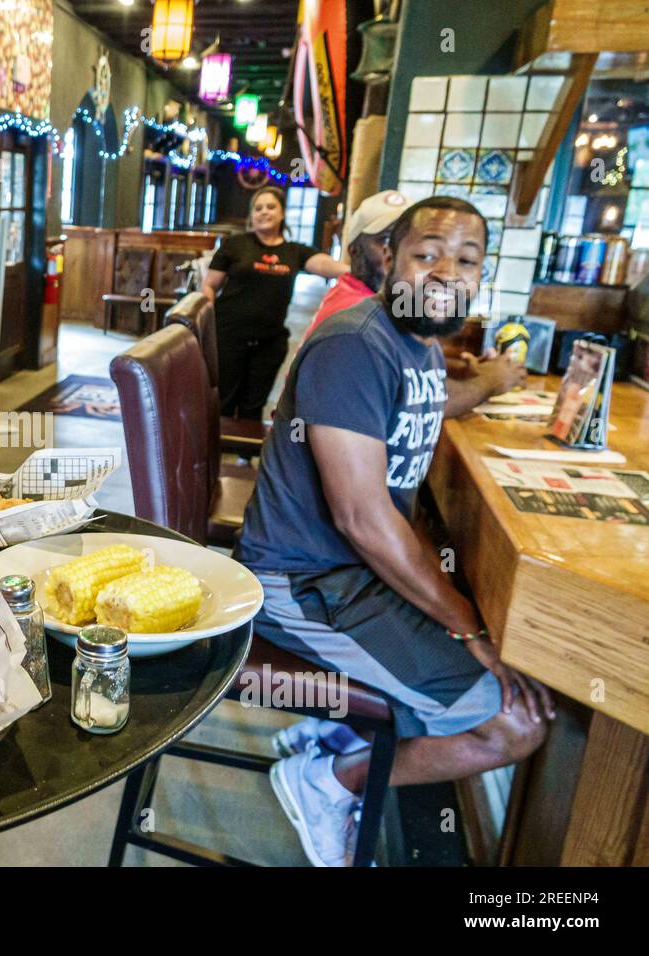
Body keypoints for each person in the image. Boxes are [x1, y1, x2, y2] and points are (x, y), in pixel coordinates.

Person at [234, 196, 553, 867]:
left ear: (482, 274)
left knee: (500, 685)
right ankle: (327, 782)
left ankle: (340, 744)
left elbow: (422, 419)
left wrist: (488, 383)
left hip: (352, 577)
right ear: (389, 259)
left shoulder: (418, 346)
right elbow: (361, 517)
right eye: (427, 253)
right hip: (302, 582)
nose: (445, 273)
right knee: (512, 723)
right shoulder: (355, 344)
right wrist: (467, 623)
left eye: (465, 261)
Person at [201, 184, 349, 420]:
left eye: (271, 207)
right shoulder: (234, 245)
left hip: (269, 342)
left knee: (253, 403)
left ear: (282, 213)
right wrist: (207, 321)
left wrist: (351, 272)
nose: (264, 212)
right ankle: (213, 453)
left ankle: (243, 456)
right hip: (228, 336)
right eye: (258, 208)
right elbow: (210, 284)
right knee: (223, 401)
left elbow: (321, 264)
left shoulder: (293, 251)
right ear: (251, 215)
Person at [301, 189, 409, 340]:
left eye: (408, 240)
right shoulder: (354, 319)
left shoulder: (377, 301)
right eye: (385, 240)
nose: (399, 253)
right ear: (355, 251)